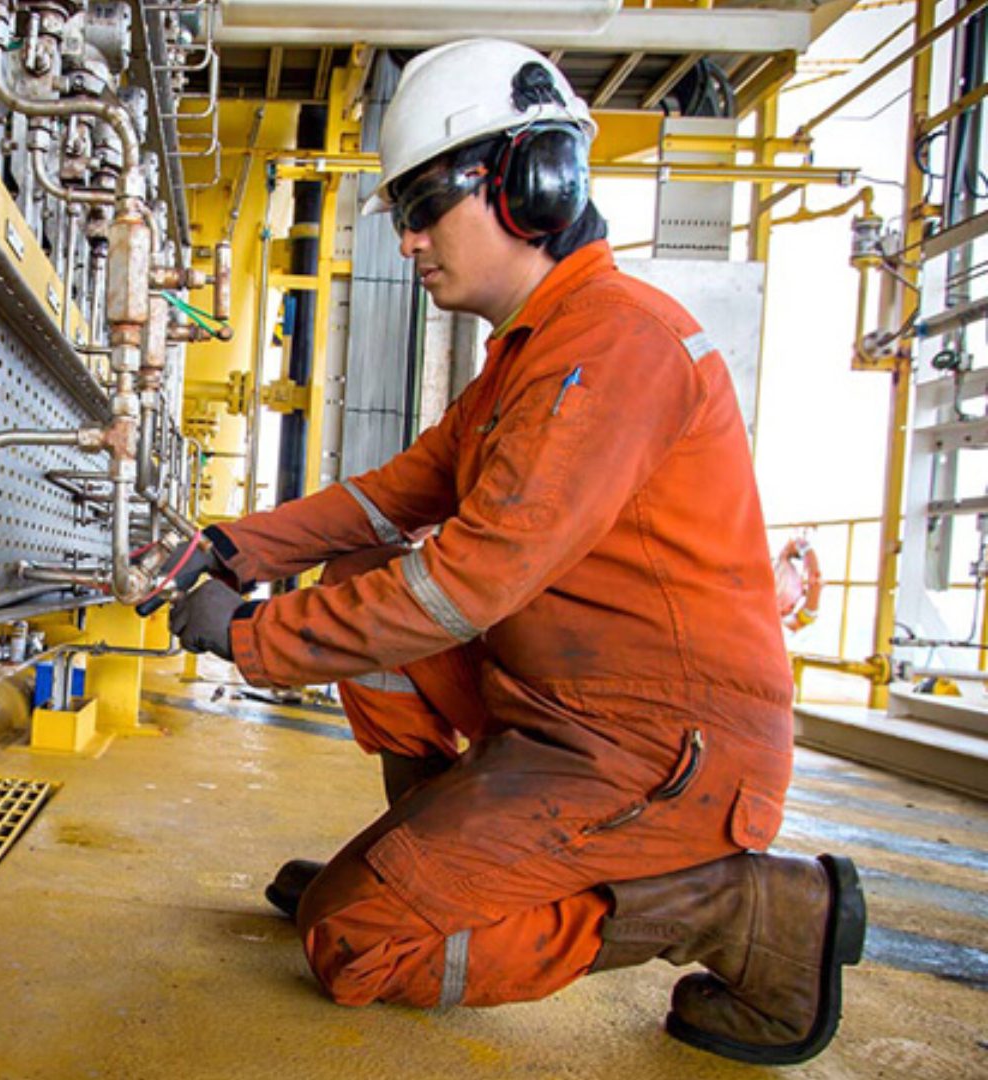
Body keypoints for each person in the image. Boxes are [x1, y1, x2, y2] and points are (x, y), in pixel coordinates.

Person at [144, 40, 864, 1066]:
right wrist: (229, 545)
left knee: (357, 942)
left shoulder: (615, 347)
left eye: (425, 206)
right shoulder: (533, 356)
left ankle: (739, 907)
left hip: (663, 754)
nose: (409, 239)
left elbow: (471, 581)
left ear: (534, 184)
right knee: (362, 574)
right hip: (567, 716)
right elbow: (390, 499)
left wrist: (252, 637)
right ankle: (424, 864)